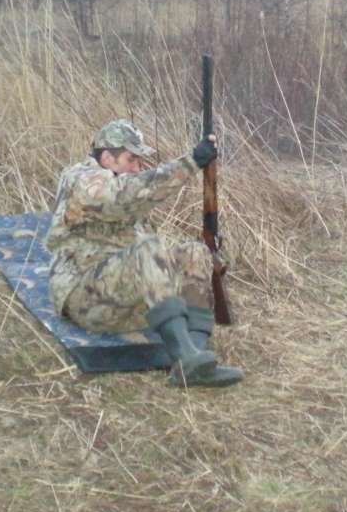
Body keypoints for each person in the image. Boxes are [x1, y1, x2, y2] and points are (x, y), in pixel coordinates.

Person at [44, 119, 242, 387]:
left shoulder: (118, 180)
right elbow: (127, 195)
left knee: (194, 252)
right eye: (131, 159)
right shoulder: (82, 179)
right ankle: (184, 355)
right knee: (149, 248)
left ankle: (195, 356)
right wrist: (190, 163)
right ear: (107, 157)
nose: (137, 167)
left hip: (126, 299)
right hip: (86, 300)